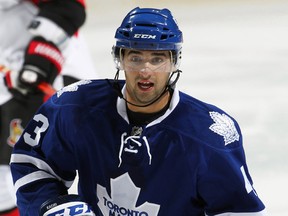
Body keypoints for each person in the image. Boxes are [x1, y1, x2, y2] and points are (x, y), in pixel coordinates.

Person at [10, 7, 266, 216]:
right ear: (119, 59)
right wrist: (51, 206)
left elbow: (239, 211)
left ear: (174, 61)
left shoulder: (207, 136)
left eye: (157, 59)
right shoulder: (75, 107)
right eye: (135, 57)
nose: (145, 70)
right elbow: (32, 162)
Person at [0, 0, 97, 215]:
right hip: (9, 79)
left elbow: (67, 6)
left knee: (22, 173)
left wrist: (40, 61)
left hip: (40, 72)